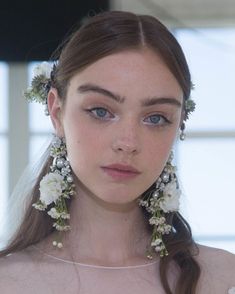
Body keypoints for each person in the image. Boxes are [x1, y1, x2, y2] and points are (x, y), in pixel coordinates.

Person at [0, 10, 234, 294]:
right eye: (101, 111)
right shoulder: (8, 281)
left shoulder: (223, 278)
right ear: (56, 111)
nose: (128, 142)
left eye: (156, 118)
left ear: (178, 125)